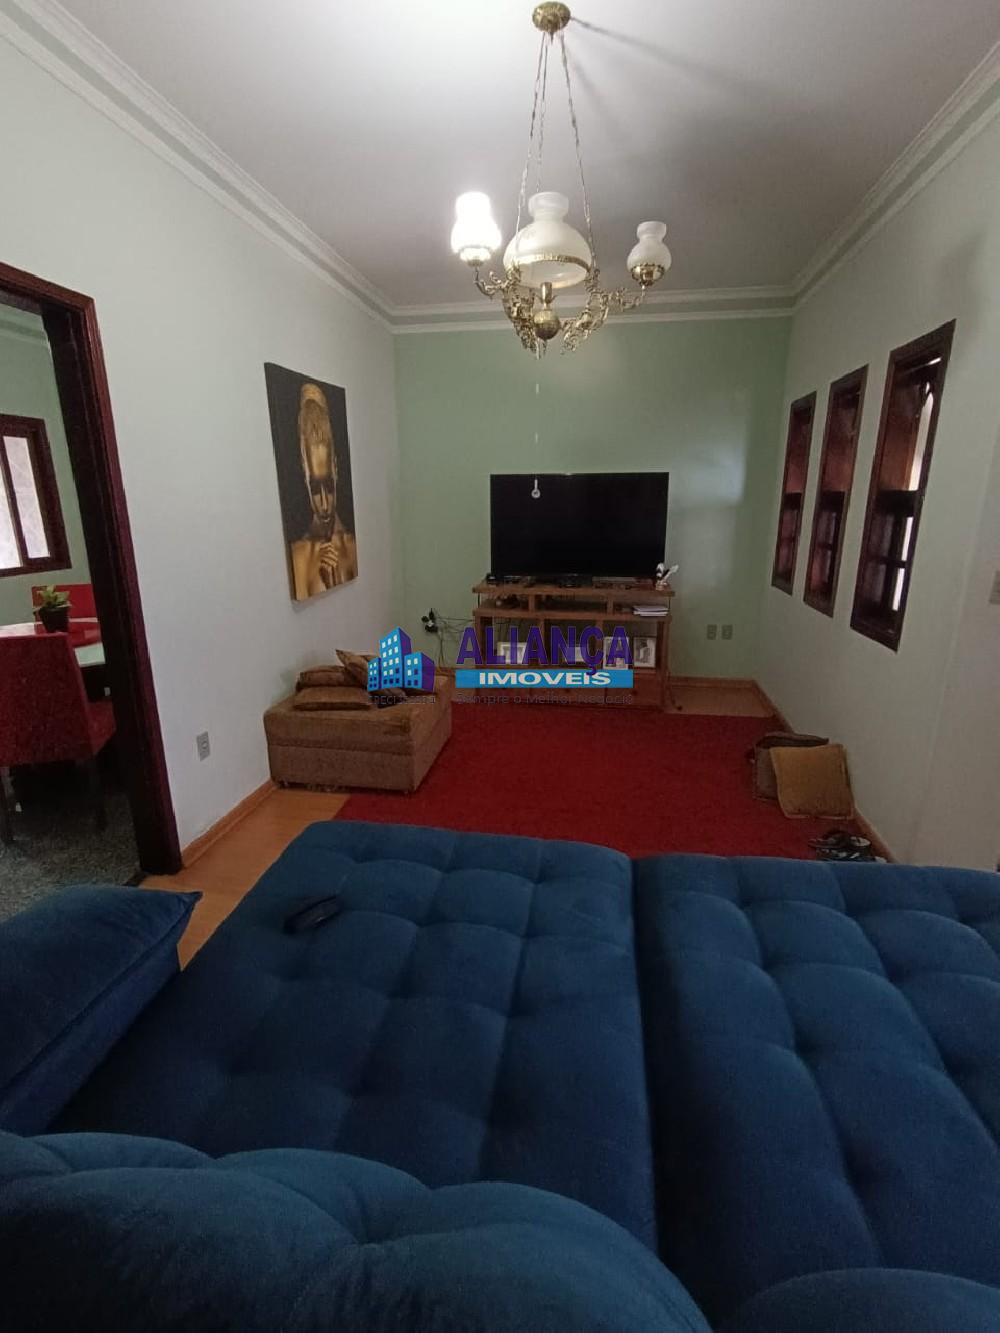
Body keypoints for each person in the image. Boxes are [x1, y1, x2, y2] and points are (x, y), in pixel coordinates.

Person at [289, 382, 358, 599]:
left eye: (328, 486)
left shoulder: (352, 546)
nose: (325, 504)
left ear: (336, 470)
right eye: (315, 489)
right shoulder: (299, 556)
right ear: (305, 477)